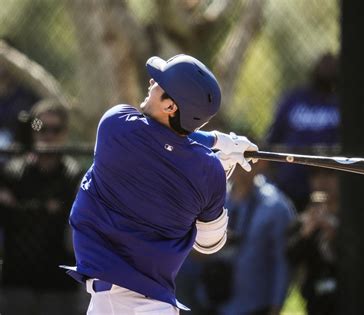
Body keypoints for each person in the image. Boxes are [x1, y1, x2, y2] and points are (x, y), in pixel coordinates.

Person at [62, 54, 258, 314]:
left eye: (160, 84)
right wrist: (218, 166)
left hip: (116, 303)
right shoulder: (208, 171)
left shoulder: (115, 126)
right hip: (148, 304)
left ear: (171, 107)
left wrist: (215, 144)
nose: (152, 81)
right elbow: (210, 243)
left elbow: (161, 139)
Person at [0, 99, 86, 315]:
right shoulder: (12, 172)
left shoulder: (73, 176)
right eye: (40, 127)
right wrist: (45, 208)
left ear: (65, 133)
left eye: (55, 129)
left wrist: (19, 207)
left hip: (59, 287)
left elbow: (70, 224)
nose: (48, 135)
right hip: (16, 284)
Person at [213, 163, 295, 315]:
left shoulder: (276, 206)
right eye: (231, 160)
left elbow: (283, 261)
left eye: (245, 161)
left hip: (257, 305)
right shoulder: (218, 198)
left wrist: (276, 306)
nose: (238, 167)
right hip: (217, 301)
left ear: (260, 164)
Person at [265, 52, 339, 212]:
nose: (327, 69)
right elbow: (275, 135)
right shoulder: (294, 99)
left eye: (331, 66)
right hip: (290, 181)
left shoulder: (340, 103)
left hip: (327, 187)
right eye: (323, 64)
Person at [286, 169, 339, 315]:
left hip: (350, 298)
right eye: (316, 176)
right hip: (315, 299)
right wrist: (306, 232)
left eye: (329, 175)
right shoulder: (302, 221)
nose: (323, 182)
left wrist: (334, 232)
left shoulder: (354, 220)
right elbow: (291, 255)